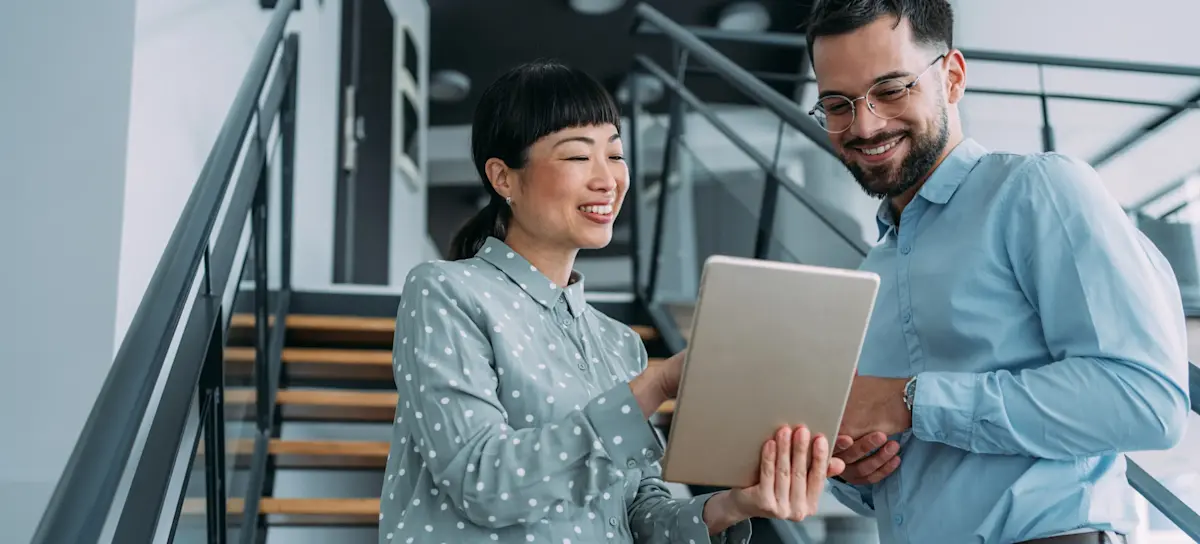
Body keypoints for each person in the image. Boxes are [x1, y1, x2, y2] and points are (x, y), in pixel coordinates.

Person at [379, 60, 843, 544]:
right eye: (578, 157)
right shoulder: (445, 292)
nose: (607, 179)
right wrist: (657, 384)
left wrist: (734, 503)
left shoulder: (619, 344)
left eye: (615, 155)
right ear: (503, 178)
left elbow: (638, 515)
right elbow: (483, 484)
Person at [801, 1, 1192, 543]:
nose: (865, 124)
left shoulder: (1039, 191)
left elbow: (1147, 400)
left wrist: (910, 401)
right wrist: (854, 471)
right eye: (838, 104)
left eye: (891, 90)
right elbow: (908, 474)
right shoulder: (874, 272)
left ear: (953, 77)